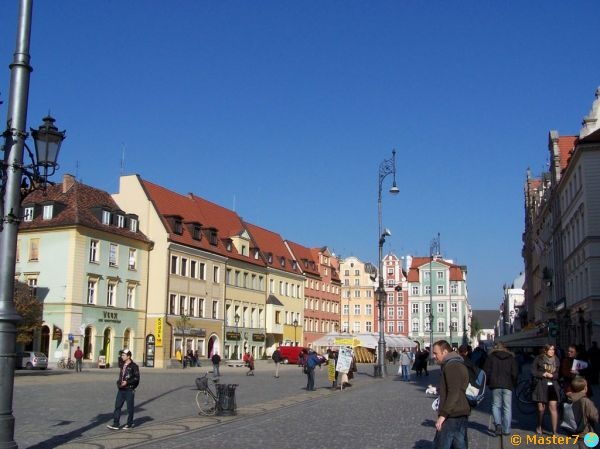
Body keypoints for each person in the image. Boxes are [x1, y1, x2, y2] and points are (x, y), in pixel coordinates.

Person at [432, 340, 470, 449]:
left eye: (436, 353)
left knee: (443, 445)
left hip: (452, 414)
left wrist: (443, 415)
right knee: (459, 444)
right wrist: (442, 389)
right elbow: (456, 386)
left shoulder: (452, 366)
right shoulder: (454, 363)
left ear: (444, 352)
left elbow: (454, 393)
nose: (434, 356)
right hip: (459, 411)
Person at [483, 341, 518, 436]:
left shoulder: (491, 357)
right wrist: (513, 382)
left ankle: (498, 424)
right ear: (505, 347)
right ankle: (506, 430)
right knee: (507, 407)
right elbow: (515, 372)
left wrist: (489, 382)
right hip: (508, 385)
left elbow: (486, 371)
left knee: (495, 405)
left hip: (495, 385)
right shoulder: (511, 357)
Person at [531, 344, 561, 435]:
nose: (552, 351)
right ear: (545, 350)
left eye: (553, 349)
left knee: (553, 407)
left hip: (552, 385)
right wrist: (542, 374)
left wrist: (553, 375)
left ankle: (554, 431)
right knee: (541, 409)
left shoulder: (556, 359)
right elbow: (533, 371)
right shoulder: (539, 358)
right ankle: (539, 425)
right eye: (550, 349)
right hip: (541, 385)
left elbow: (558, 374)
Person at [107, 349, 140, 430]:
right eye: (121, 355)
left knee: (129, 408)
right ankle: (116, 424)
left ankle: (129, 423)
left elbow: (137, 378)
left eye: (123, 355)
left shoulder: (134, 366)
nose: (121, 356)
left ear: (128, 356)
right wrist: (119, 383)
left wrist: (127, 382)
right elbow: (119, 358)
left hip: (129, 389)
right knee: (117, 406)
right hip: (121, 389)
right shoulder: (122, 364)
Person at [566, 377, 599, 449]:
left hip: (571, 430)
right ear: (585, 388)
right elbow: (595, 417)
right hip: (585, 433)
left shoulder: (568, 399)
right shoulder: (586, 401)